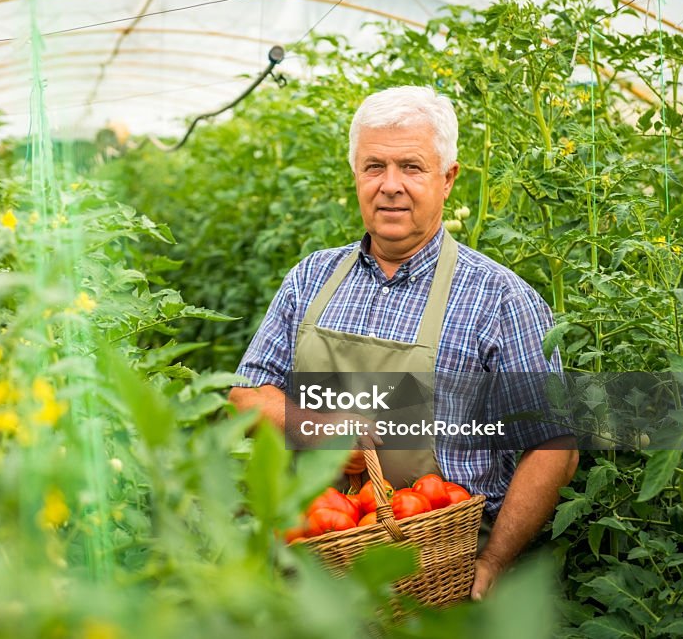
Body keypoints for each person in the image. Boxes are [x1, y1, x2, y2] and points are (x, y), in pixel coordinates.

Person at [228, 85, 578, 600]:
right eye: (374, 166)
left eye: (411, 167)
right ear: (355, 175)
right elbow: (246, 395)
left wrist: (495, 561)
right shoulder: (311, 279)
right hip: (321, 551)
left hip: (438, 566)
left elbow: (554, 446)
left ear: (448, 177)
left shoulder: (500, 298)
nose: (390, 185)